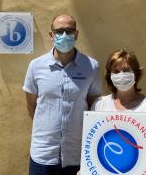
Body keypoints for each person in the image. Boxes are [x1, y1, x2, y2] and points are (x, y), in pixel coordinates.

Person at [23, 14, 101, 175]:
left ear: (76, 34)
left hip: (77, 154)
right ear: (51, 35)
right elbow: (32, 107)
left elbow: (92, 107)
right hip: (43, 153)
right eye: (59, 31)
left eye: (69, 31)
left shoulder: (91, 67)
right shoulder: (36, 66)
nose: (64, 36)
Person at [77, 49, 146, 175]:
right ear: (109, 75)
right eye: (116, 71)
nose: (121, 75)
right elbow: (90, 148)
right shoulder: (99, 104)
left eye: (126, 70)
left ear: (137, 74)